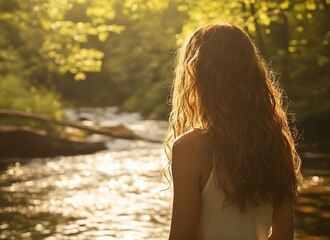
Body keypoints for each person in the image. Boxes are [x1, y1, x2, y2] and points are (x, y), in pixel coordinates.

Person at [164, 23, 302, 240]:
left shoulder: (189, 148)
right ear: (253, 74)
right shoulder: (275, 142)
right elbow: (284, 235)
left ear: (195, 76)